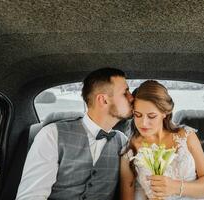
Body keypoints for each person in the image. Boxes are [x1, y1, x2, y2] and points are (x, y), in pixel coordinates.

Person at [16, 67, 134, 200]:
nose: (132, 98)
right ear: (103, 100)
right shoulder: (52, 135)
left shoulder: (123, 142)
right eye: (125, 93)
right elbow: (31, 196)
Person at [120, 80, 204, 200]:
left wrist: (175, 187)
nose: (143, 123)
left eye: (151, 116)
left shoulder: (186, 136)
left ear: (164, 113)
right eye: (138, 115)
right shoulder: (129, 150)